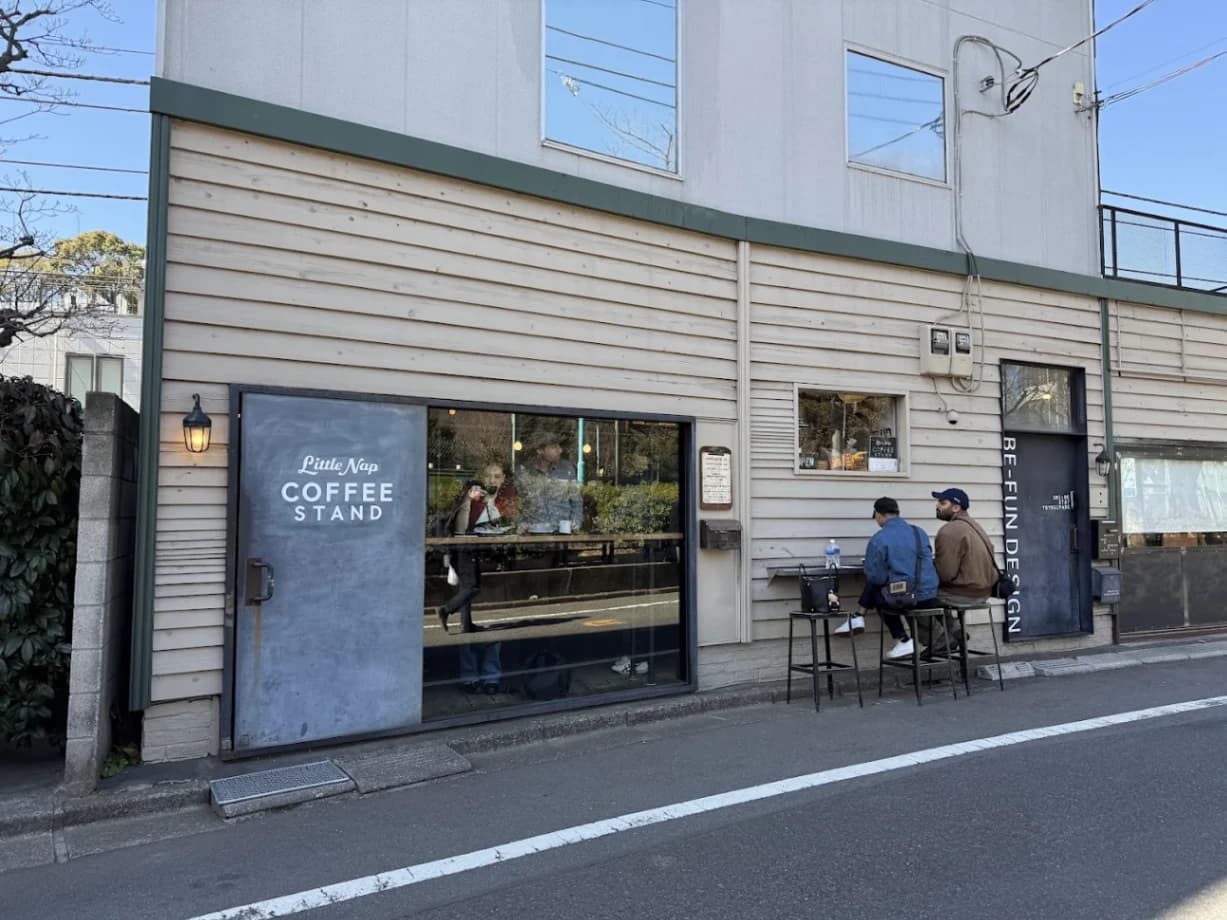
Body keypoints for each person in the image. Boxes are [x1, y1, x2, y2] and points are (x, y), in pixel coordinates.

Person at [840, 497, 939, 659]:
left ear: (879, 515)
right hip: (929, 595)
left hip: (910, 598)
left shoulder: (879, 538)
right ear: (898, 513)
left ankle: (902, 639)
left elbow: (876, 577)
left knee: (878, 590)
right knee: (883, 586)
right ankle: (857, 618)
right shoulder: (918, 532)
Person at [930, 487, 998, 650]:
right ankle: (955, 631)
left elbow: (946, 574)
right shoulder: (975, 525)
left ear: (956, 508)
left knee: (921, 597)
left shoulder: (949, 531)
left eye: (942, 503)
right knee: (931, 596)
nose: (937, 506)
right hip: (984, 592)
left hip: (964, 594)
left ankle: (944, 638)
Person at [518, 430, 582, 534]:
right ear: (540, 450)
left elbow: (576, 501)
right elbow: (519, 502)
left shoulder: (567, 469)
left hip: (562, 532)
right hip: (534, 533)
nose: (560, 450)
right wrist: (521, 524)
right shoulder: (526, 471)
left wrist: (576, 522)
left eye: (559, 446)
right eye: (554, 447)